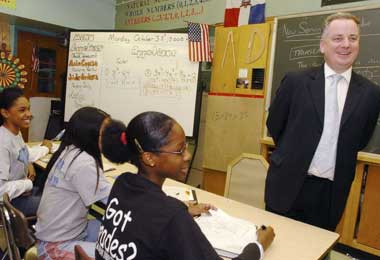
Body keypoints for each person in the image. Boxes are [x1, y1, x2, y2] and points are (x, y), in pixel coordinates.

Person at [96, 112, 275, 260]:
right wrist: (258, 245)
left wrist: (184, 208)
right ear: (149, 158)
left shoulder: (123, 183)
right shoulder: (171, 216)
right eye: (179, 150)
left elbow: (144, 214)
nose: (188, 156)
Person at [265, 12, 380, 231]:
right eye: (337, 38)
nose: (346, 44)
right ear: (322, 45)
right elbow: (275, 125)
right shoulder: (296, 82)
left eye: (353, 38)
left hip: (330, 195)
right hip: (287, 185)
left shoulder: (371, 94)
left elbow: (361, 139)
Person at [35, 107, 113, 259]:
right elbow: (113, 200)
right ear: (89, 133)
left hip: (55, 236)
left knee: (112, 230)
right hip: (56, 247)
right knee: (120, 252)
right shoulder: (84, 163)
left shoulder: (70, 150)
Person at [0, 87, 52, 217]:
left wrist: (45, 148)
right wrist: (27, 184)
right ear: (5, 113)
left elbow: (23, 153)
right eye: (22, 110)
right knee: (59, 205)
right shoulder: (3, 142)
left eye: (28, 109)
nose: (29, 114)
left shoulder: (15, 133)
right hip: (10, 203)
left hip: (18, 193)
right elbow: (1, 191)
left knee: (56, 194)